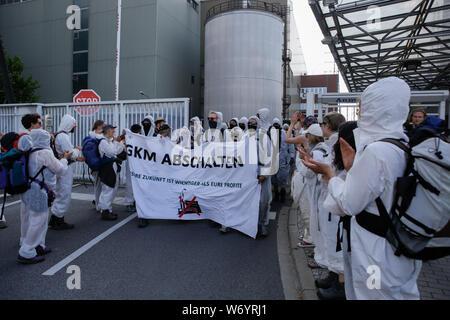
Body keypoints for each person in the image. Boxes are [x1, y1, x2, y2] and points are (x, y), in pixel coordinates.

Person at [303, 76, 422, 300]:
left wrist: (329, 175)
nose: (359, 113)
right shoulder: (401, 144)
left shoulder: (377, 152)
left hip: (375, 252)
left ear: (375, 108)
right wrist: (352, 168)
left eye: (362, 107)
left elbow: (349, 203)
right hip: (395, 244)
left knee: (372, 293)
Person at [18, 129, 71, 264]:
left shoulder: (29, 151)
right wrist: (64, 159)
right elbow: (60, 169)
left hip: (27, 188)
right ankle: (27, 251)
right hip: (39, 191)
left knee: (27, 219)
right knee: (38, 221)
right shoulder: (45, 152)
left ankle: (35, 244)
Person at [296, 123, 331, 271]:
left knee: (318, 226)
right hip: (318, 192)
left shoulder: (318, 152)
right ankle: (320, 254)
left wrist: (300, 161)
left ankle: (322, 258)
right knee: (318, 225)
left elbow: (309, 172)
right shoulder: (322, 149)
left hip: (317, 192)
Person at [50, 115, 84, 230]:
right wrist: (77, 149)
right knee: (64, 193)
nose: (75, 126)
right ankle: (58, 220)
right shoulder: (63, 136)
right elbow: (71, 154)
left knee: (59, 192)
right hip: (65, 168)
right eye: (74, 123)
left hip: (60, 166)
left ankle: (55, 217)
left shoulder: (58, 135)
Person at [15, 114, 42, 235]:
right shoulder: (26, 138)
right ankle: (29, 242)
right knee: (30, 212)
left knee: (26, 211)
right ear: (32, 124)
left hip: (27, 177)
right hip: (29, 178)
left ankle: (25, 239)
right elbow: (34, 157)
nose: (41, 126)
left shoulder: (26, 137)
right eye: (39, 123)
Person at [248, 114, 272, 237]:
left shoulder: (263, 138)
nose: (251, 125)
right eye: (249, 123)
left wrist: (264, 174)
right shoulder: (245, 137)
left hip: (261, 174)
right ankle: (250, 225)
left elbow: (268, 157)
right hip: (248, 175)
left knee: (263, 202)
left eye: (253, 123)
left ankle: (262, 223)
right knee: (249, 202)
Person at [98, 124, 126, 221]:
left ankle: (108, 209)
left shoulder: (109, 141)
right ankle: (105, 210)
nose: (114, 132)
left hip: (111, 168)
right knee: (108, 188)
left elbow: (118, 150)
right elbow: (112, 152)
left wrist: (118, 143)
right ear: (107, 131)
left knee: (112, 188)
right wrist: (118, 143)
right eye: (112, 130)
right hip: (107, 168)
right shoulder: (103, 142)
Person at [271, 118, 295, 203]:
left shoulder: (284, 134)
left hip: (283, 159)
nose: (276, 126)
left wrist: (292, 156)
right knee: (274, 178)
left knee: (283, 177)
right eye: (274, 125)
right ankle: (276, 192)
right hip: (272, 159)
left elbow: (290, 146)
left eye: (277, 124)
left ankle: (283, 192)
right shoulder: (269, 134)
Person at [124, 124, 142, 213]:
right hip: (136, 165)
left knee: (130, 184)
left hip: (131, 165)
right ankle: (131, 202)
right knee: (134, 184)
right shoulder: (141, 139)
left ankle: (130, 202)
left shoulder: (128, 138)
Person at [89, 120, 106, 213]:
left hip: (94, 162)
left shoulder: (91, 135)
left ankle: (98, 202)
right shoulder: (96, 136)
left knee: (98, 184)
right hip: (98, 163)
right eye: (104, 126)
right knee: (99, 184)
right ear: (99, 126)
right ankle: (99, 205)